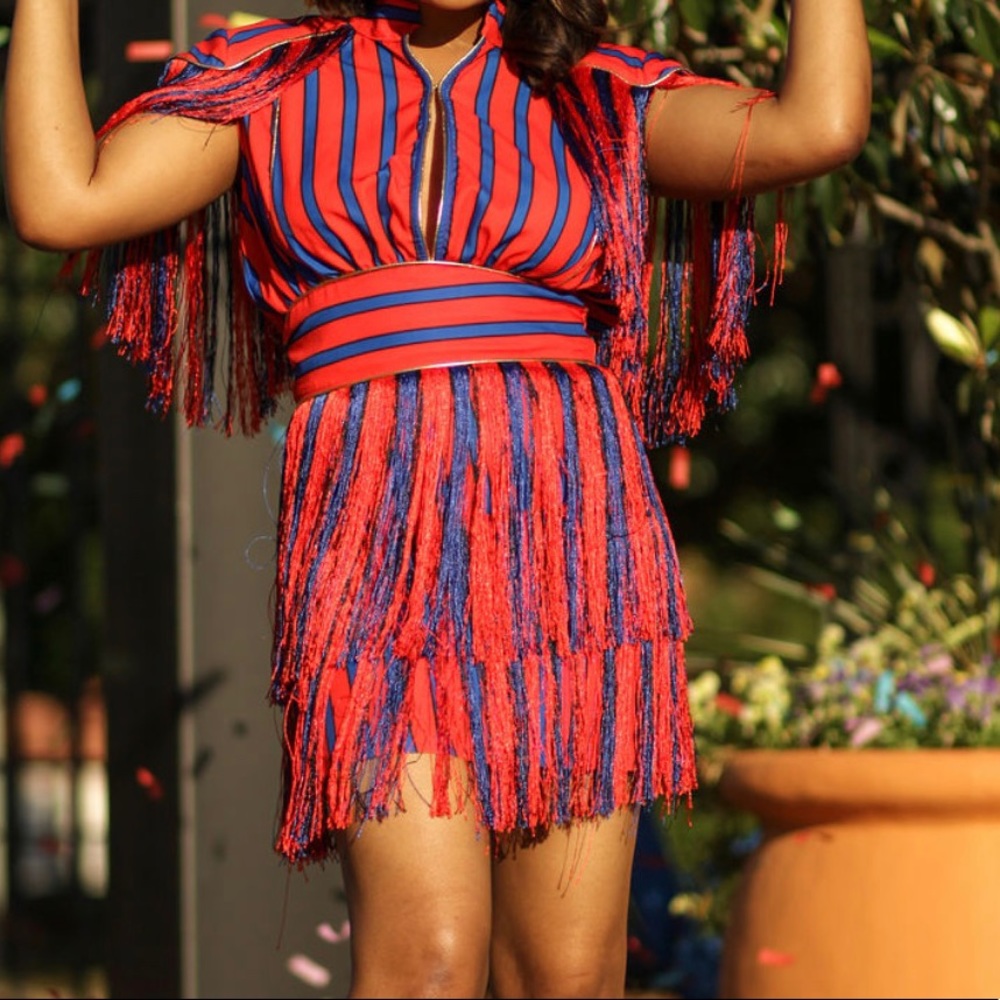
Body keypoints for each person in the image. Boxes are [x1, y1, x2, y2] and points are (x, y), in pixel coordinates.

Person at [3, 0, 871, 996]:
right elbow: (59, 203)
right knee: (427, 964)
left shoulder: (595, 93)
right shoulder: (269, 84)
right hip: (372, 544)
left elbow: (820, 125)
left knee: (566, 975)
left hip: (570, 541)